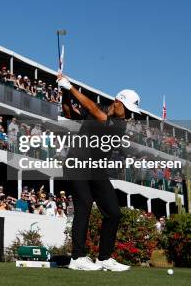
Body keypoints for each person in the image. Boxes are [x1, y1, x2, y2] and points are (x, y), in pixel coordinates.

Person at [58, 73, 138, 271]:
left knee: (113, 213)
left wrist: (70, 87)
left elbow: (95, 111)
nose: (129, 115)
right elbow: (70, 114)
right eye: (127, 109)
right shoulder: (101, 111)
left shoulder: (120, 124)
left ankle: (104, 258)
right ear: (117, 102)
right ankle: (77, 258)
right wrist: (64, 92)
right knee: (84, 205)